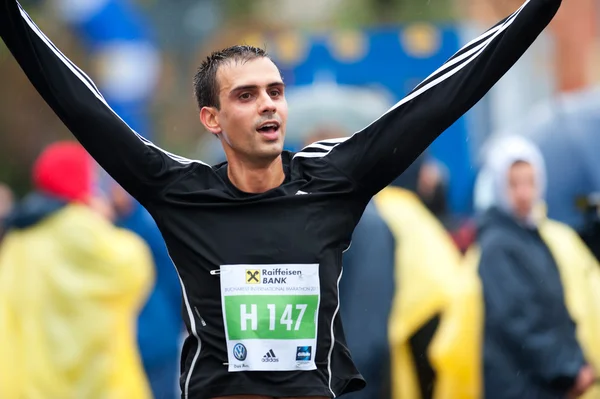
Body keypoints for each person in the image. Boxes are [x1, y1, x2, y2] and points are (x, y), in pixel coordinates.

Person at [0, 0, 563, 397]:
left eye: (276, 91)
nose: (269, 104)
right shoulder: (181, 191)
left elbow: (438, 98)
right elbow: (82, 106)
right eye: (246, 95)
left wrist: (538, 9)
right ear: (212, 119)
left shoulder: (333, 180)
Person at [0, 141, 154, 399]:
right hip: (91, 384)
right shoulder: (82, 226)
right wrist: (105, 219)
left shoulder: (19, 236)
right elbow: (135, 267)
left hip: (31, 383)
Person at [466, 135, 596, 399]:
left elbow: (557, 310)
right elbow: (518, 321)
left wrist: (576, 362)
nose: (524, 193)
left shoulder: (531, 235)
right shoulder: (497, 245)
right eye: (513, 184)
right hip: (520, 386)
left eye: (530, 182)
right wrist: (568, 369)